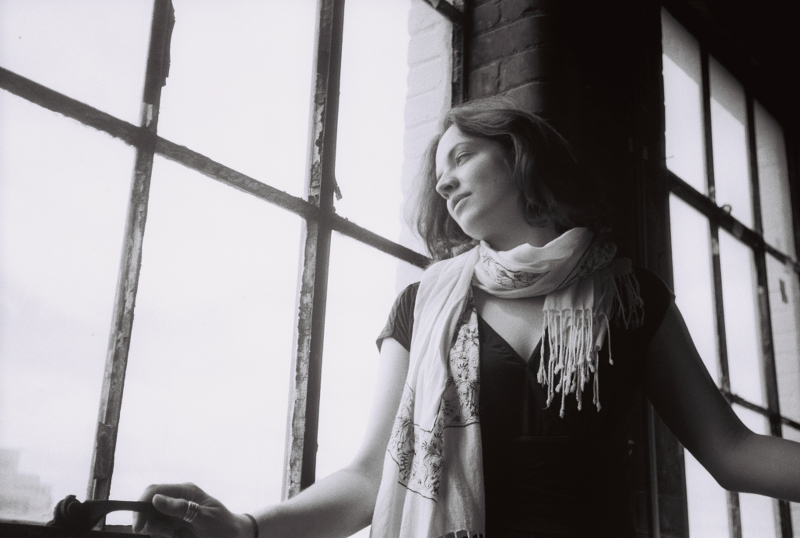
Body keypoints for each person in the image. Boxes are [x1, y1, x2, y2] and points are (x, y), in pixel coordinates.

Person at [133, 99, 800, 538]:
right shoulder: (423, 306)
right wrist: (247, 528)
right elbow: (372, 478)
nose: (444, 181)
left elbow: (732, 453)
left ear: (519, 155)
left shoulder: (630, 297)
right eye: (438, 172)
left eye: (461, 157)